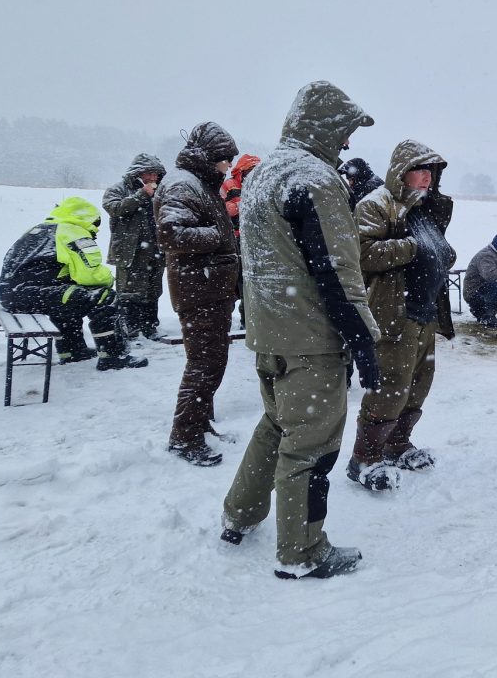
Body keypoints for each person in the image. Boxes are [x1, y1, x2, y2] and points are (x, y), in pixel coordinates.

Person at [220, 81, 379, 580]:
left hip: (269, 334)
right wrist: (363, 339)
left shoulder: (264, 173)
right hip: (311, 339)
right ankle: (303, 551)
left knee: (275, 425)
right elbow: (338, 271)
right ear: (327, 127)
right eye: (346, 132)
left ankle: (238, 514)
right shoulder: (317, 178)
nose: (348, 144)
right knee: (311, 444)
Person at [349, 140, 456, 491]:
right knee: (391, 386)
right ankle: (365, 458)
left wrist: (441, 253)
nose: (426, 178)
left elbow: (435, 250)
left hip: (425, 311)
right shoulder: (376, 204)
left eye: (431, 172)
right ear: (401, 172)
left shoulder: (424, 207)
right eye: (419, 170)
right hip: (394, 311)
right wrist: (413, 248)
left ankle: (397, 444)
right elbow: (363, 254)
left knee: (419, 383)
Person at [153, 122, 241, 467]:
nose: (228, 168)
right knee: (204, 366)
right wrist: (220, 237)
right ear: (210, 157)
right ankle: (184, 436)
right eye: (225, 160)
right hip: (198, 289)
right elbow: (171, 234)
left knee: (211, 363)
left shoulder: (199, 184)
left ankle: (199, 425)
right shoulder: (181, 184)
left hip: (208, 288)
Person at [0, 196, 148, 371]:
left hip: (12, 295)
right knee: (104, 297)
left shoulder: (38, 229)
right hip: (33, 293)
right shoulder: (73, 232)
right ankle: (113, 356)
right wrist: (108, 280)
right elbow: (91, 275)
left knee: (69, 297)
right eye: (95, 223)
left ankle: (72, 351)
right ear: (86, 218)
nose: (96, 230)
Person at [101, 153, 167, 341]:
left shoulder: (161, 191)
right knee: (129, 292)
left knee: (153, 291)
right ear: (137, 173)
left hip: (156, 251)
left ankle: (150, 327)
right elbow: (114, 208)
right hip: (130, 252)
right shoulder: (118, 189)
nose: (153, 178)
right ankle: (130, 329)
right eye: (149, 174)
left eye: (156, 174)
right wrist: (140, 196)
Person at [220, 153, 261, 328]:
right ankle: (224, 322)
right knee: (231, 282)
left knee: (249, 282)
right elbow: (220, 207)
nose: (254, 174)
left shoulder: (260, 186)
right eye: (251, 170)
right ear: (242, 172)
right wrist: (240, 206)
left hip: (254, 238)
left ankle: (248, 320)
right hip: (234, 238)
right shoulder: (229, 185)